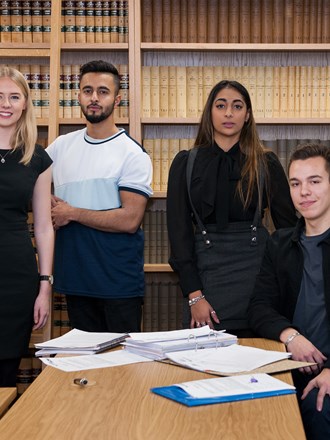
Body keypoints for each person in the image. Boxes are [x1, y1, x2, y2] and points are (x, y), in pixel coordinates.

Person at [167, 80, 297, 336]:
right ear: (210, 112)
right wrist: (195, 296)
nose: (229, 113)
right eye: (221, 105)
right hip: (205, 288)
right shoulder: (186, 163)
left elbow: (288, 231)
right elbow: (179, 235)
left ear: (247, 115)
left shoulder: (266, 163)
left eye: (237, 106)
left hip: (259, 287)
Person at [46, 60, 152, 334]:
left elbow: (130, 219)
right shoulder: (60, 147)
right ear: (78, 95)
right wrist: (46, 203)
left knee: (122, 370)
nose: (94, 98)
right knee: (83, 368)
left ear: (117, 99)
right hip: (74, 276)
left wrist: (72, 212)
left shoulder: (132, 153)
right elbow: (27, 185)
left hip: (117, 282)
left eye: (103, 91)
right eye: (87, 90)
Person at [248, 143, 330, 440]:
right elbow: (258, 307)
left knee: (317, 410)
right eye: (295, 183)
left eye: (315, 181)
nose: (304, 192)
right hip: (287, 365)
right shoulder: (280, 243)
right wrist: (290, 336)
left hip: (327, 371)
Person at [0, 66, 54, 387]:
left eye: (14, 96)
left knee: (6, 375)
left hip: (16, 278)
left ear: (25, 103)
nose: (5, 103)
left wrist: (44, 287)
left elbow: (45, 227)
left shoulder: (37, 158)